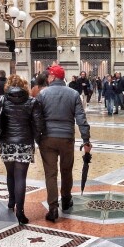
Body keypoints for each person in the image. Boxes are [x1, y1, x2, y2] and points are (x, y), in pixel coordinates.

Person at [0, 75, 44, 224]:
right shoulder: (32, 102)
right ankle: (21, 212)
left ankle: (11, 201)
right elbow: (39, 125)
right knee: (21, 177)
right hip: (24, 143)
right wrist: (34, 138)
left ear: (8, 85)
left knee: (10, 173)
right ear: (24, 85)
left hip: (6, 142)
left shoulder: (2, 99)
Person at [37, 65, 91, 221]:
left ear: (53, 77)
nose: (47, 78)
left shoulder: (43, 94)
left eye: (48, 76)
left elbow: (37, 118)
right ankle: (66, 200)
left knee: (51, 173)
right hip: (67, 138)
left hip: (47, 138)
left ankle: (53, 207)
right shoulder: (73, 94)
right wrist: (86, 139)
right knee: (66, 170)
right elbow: (81, 119)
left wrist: (38, 137)